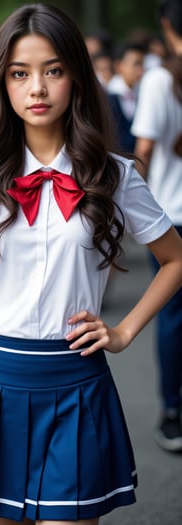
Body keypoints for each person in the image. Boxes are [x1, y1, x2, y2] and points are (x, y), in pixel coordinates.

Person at [0, 4, 182, 525]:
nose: (37, 88)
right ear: (2, 83)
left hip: (75, 382)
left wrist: (124, 331)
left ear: (76, 79)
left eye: (53, 70)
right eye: (20, 73)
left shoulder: (115, 175)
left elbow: (175, 259)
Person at [131, 0, 182, 453]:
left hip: (170, 213)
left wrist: (133, 205)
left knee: (173, 315)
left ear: (167, 26)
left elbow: (143, 147)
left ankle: (172, 411)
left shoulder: (159, 79)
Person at [107, 41, 145, 153]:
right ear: (119, 66)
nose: (141, 70)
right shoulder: (106, 96)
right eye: (136, 64)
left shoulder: (142, 94)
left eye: (142, 64)